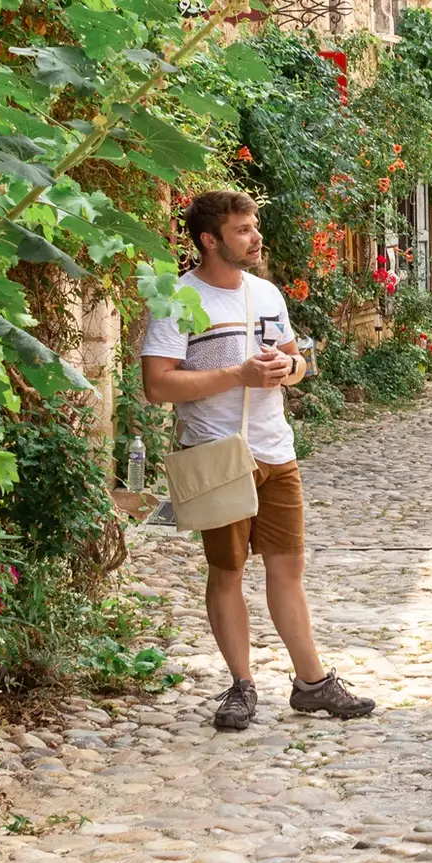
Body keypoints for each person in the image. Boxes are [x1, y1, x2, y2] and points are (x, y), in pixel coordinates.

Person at [140, 190, 376, 731]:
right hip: (219, 455)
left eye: (254, 226)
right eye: (243, 229)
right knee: (227, 572)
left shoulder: (266, 294)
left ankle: (312, 684)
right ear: (209, 240)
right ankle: (241, 686)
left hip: (277, 450)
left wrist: (287, 370)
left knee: (289, 568)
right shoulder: (178, 299)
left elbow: (297, 360)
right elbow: (157, 384)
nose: (255, 237)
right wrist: (239, 375)